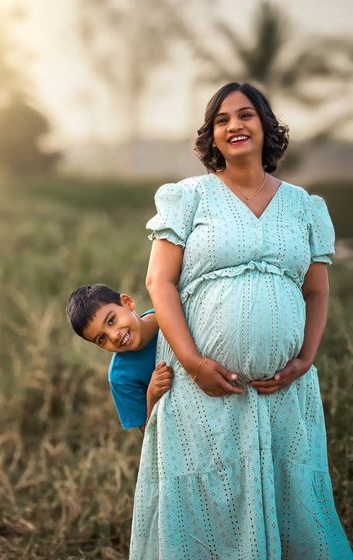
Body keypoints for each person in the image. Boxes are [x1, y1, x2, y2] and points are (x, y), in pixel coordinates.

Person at [129, 82, 352, 559]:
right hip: (200, 390)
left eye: (245, 115)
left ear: (266, 126)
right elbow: (159, 283)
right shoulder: (188, 198)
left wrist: (304, 360)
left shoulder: (303, 206)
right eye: (221, 120)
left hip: (284, 392)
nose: (234, 126)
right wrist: (192, 363)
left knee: (296, 503)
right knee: (206, 506)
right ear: (211, 137)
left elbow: (316, 290)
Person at [65, 283, 173, 431]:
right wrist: (152, 396)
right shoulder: (121, 377)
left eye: (111, 320)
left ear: (127, 302)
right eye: (101, 339)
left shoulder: (169, 312)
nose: (114, 336)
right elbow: (149, 436)